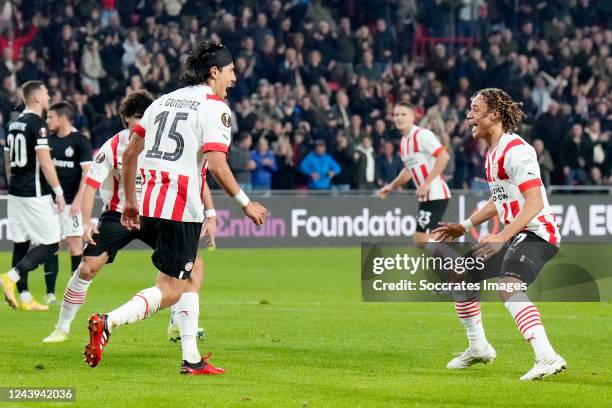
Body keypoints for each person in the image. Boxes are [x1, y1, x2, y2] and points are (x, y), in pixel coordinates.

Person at [83, 41, 267, 375]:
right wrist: (245, 203)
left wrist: (129, 202)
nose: (234, 79)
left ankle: (191, 359)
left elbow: (128, 155)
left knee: (193, 271)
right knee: (170, 290)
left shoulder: (162, 102)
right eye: (231, 72)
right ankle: (108, 322)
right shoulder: (215, 108)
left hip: (150, 203)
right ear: (214, 72)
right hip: (180, 208)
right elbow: (216, 164)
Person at [42, 90, 212, 343]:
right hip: (118, 214)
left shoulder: (164, 144)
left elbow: (197, 176)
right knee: (88, 267)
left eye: (146, 116)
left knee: (194, 266)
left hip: (155, 214)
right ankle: (62, 327)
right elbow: (90, 186)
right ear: (125, 118)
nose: (142, 121)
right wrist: (88, 222)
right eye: (137, 117)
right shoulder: (113, 145)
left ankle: (178, 325)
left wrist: (209, 213)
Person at [433, 88, 565, 381]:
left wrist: (501, 237)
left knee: (509, 286)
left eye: (475, 109)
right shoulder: (492, 154)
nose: (469, 115)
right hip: (513, 234)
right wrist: (465, 226)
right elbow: (500, 199)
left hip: (537, 233)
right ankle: (479, 348)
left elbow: (535, 203)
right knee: (460, 274)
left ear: (494, 115)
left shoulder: (516, 150)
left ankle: (547, 357)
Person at [0, 81, 65, 311]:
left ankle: (25, 298)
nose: (48, 97)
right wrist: (58, 193)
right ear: (37, 98)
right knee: (51, 243)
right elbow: (46, 163)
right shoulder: (38, 125)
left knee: (21, 241)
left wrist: (12, 184)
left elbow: (7, 162)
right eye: (46, 93)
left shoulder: (12, 124)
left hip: (15, 191)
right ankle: (12, 276)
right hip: (33, 193)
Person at [378, 102, 451, 244]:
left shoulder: (422, 135)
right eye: (396, 115)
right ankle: (453, 263)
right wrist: (391, 187)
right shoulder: (404, 141)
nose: (399, 118)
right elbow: (409, 170)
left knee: (421, 238)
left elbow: (444, 156)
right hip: (426, 196)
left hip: (436, 194)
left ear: (413, 117)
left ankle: (457, 263)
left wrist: (426, 183)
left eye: (403, 114)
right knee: (423, 240)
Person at [43, 102, 93, 305]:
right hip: (50, 203)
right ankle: (50, 293)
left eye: (51, 117)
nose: (48, 121)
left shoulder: (80, 141)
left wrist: (78, 203)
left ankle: (75, 293)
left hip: (72, 203)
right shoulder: (48, 141)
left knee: (74, 245)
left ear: (62, 118)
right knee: (50, 244)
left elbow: (87, 174)